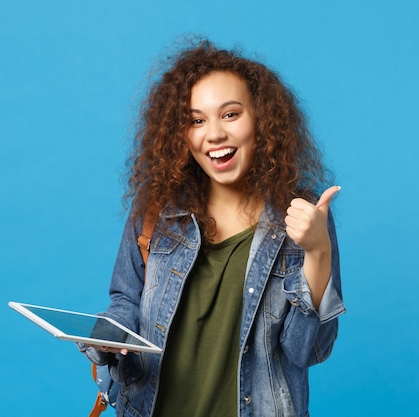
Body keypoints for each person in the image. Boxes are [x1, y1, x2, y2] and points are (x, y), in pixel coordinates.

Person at [79, 38, 346, 417]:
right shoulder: (156, 211)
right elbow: (126, 302)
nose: (214, 134)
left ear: (261, 119)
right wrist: (110, 337)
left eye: (231, 114)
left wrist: (318, 251)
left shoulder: (301, 218)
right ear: (180, 134)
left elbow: (307, 351)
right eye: (196, 120)